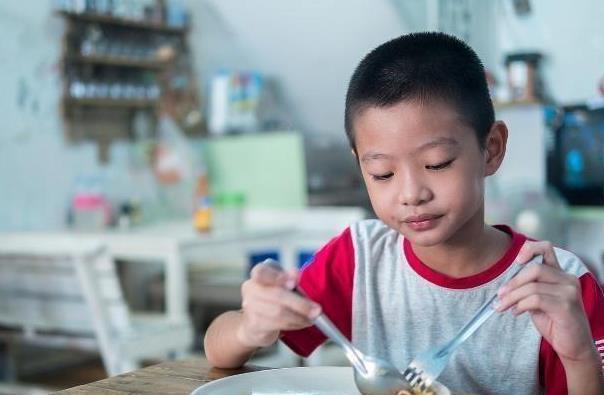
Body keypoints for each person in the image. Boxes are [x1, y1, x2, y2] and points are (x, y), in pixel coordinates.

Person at [204, 32, 604, 395]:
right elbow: (219, 353)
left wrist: (579, 357)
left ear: (492, 148)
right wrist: (250, 326)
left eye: (438, 163)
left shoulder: (556, 283)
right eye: (383, 173)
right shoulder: (359, 259)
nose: (411, 194)